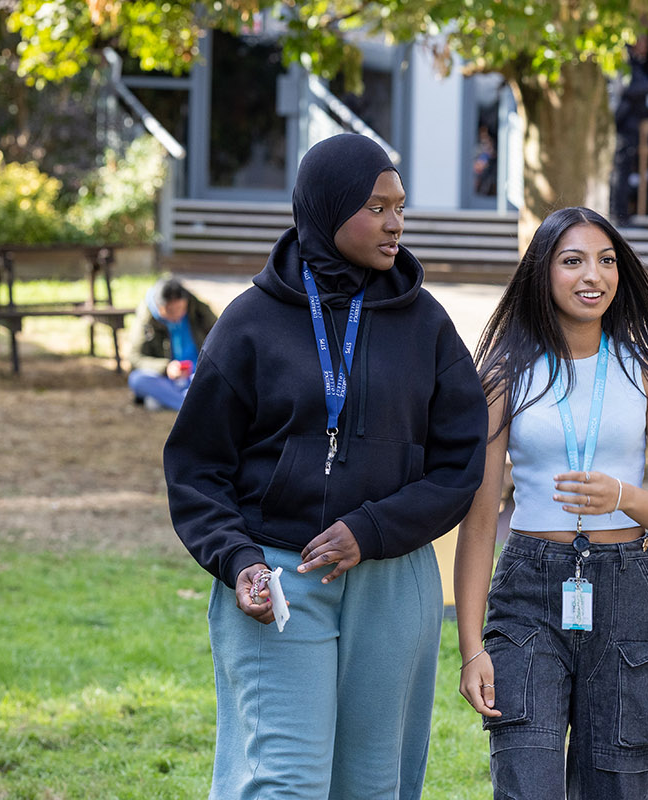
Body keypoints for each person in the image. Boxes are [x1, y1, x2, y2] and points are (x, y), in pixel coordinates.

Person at [164, 133, 489, 800]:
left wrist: (370, 530)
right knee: (280, 781)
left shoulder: (425, 323)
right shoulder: (251, 322)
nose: (395, 223)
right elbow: (196, 469)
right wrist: (239, 561)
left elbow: (461, 463)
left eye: (400, 207)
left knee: (374, 786)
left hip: (393, 580)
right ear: (326, 207)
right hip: (279, 577)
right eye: (375, 207)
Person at [455, 206, 648, 798]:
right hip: (528, 593)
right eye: (573, 261)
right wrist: (469, 650)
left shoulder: (647, 372)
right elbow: (480, 520)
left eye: (607, 261)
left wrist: (622, 495)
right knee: (526, 783)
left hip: (627, 590)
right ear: (542, 273)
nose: (594, 275)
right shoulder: (504, 376)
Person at [128, 275, 217, 411]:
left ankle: (170, 400)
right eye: (170, 311)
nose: (177, 315)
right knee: (137, 380)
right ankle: (189, 405)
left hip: (197, 374)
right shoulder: (146, 318)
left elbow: (220, 336)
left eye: (181, 309)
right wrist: (165, 368)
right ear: (158, 306)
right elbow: (135, 357)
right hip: (165, 379)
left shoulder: (197, 307)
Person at [612, 39, 648, 226]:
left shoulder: (635, 63)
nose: (646, 46)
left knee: (624, 169)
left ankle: (621, 213)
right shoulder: (625, 63)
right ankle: (618, 214)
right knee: (620, 170)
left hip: (630, 125)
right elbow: (626, 88)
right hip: (624, 125)